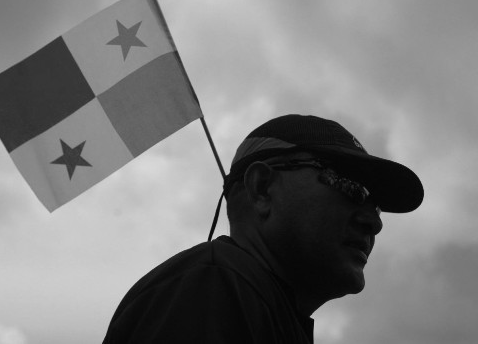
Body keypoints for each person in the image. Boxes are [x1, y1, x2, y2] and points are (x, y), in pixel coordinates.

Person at [103, 114, 424, 343]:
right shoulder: (216, 283)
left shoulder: (248, 299)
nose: (374, 222)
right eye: (351, 186)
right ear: (262, 189)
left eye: (376, 205)